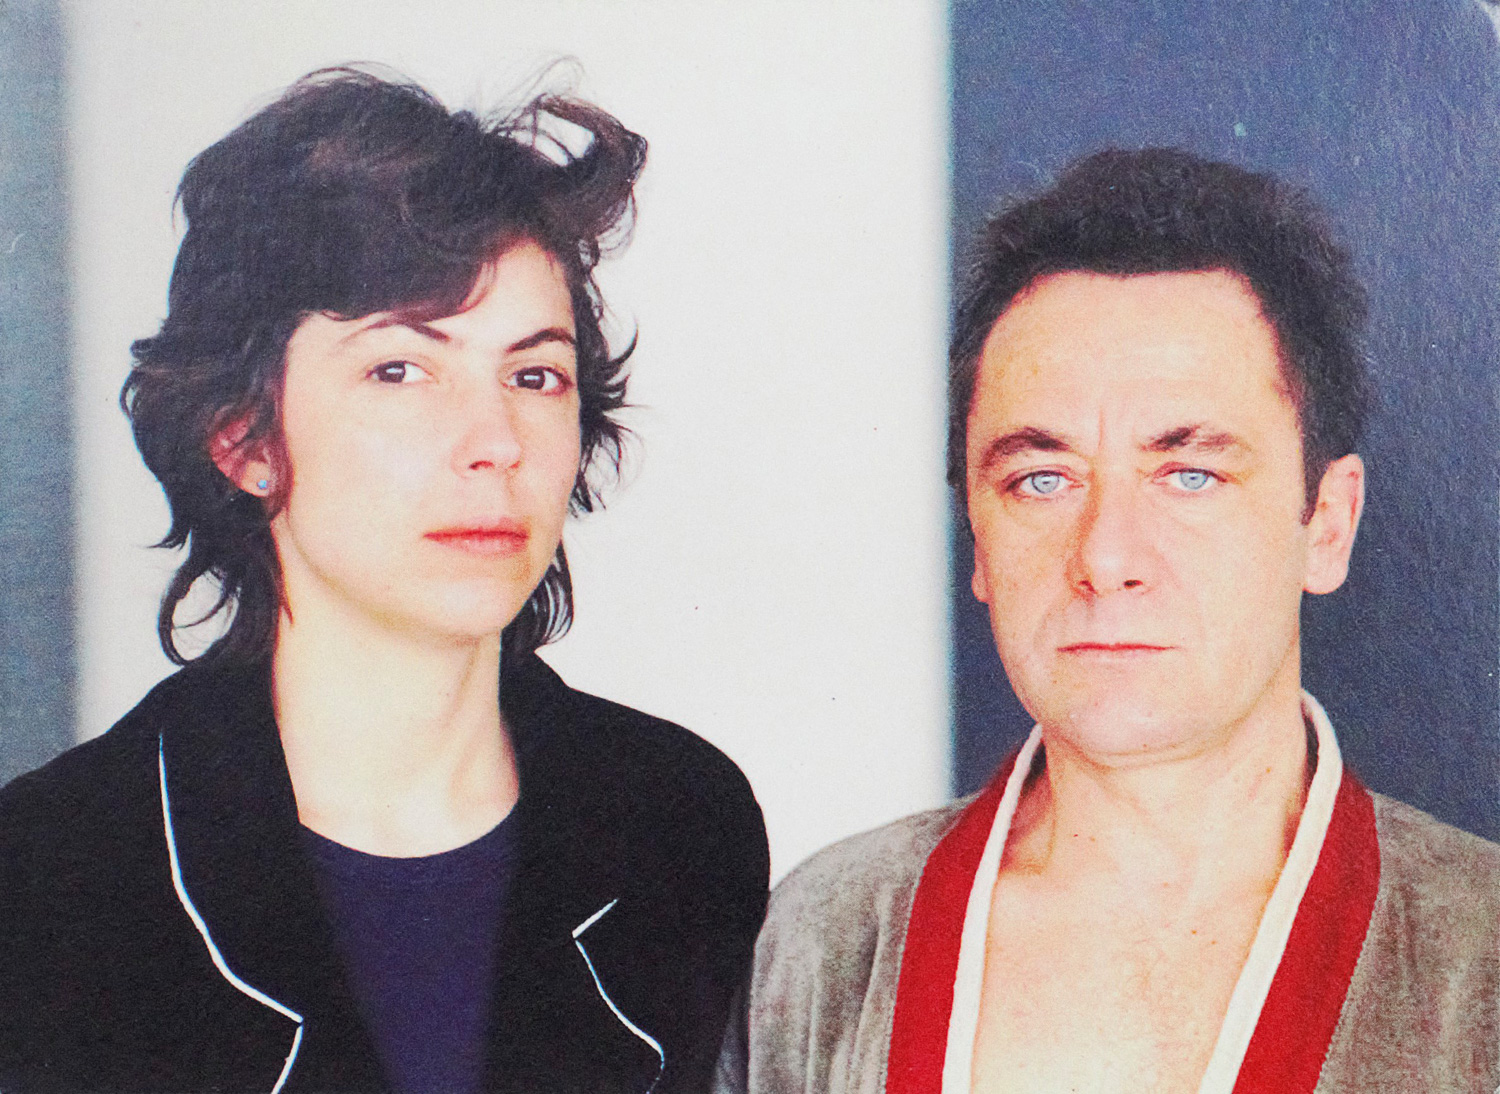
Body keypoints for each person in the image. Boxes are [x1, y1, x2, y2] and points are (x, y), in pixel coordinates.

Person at [0, 67, 768, 1094]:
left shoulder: (680, 822)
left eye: (534, 374)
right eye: (400, 370)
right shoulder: (55, 870)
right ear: (244, 436)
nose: (495, 441)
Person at [717, 148, 1499, 1094]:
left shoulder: (1478, 955)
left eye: (1190, 475)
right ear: (977, 537)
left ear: (1326, 524)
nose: (1104, 557)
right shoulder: (828, 941)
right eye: (1041, 480)